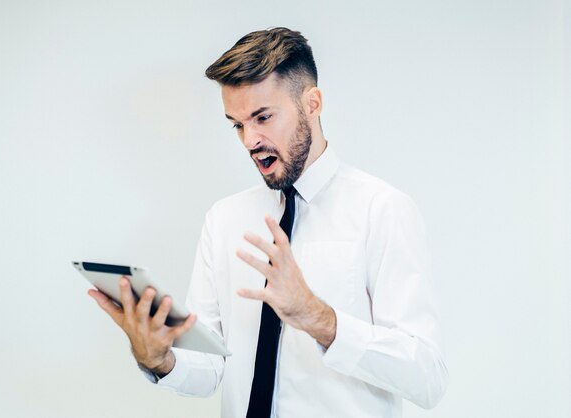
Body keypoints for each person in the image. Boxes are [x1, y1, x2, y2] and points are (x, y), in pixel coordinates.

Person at [88, 27, 449, 418]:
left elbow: (427, 377)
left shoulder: (381, 209)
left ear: (312, 104)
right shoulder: (224, 220)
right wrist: (159, 359)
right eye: (237, 124)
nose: (249, 140)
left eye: (263, 117)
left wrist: (320, 319)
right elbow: (211, 367)